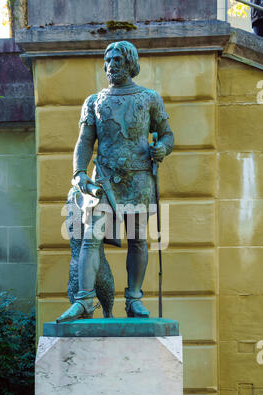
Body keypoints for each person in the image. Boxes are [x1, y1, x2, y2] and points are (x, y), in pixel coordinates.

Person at [56, 41, 174, 323]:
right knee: (91, 238)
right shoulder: (94, 101)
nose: (112, 65)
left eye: (118, 59)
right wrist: (79, 173)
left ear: (131, 63)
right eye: (108, 60)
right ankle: (84, 300)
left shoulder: (149, 98)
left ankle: (134, 299)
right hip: (103, 181)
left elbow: (167, 134)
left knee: (138, 240)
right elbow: (84, 141)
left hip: (139, 178)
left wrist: (163, 149)